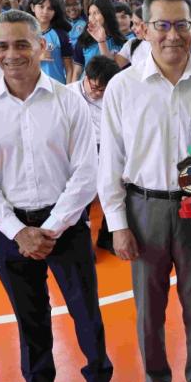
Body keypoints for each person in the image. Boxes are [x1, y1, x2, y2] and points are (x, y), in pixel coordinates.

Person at [0, 9, 114, 382]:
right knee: (28, 313)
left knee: (85, 310)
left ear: (42, 46)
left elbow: (87, 173)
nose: (12, 54)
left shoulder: (70, 101)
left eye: (21, 44)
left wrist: (48, 230)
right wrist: (17, 231)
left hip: (62, 225)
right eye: (2, 46)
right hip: (10, 228)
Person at [98, 0, 191, 382]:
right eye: (162, 25)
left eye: (181, 25)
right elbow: (109, 161)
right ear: (144, 29)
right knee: (148, 309)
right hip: (144, 208)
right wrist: (117, 224)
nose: (173, 35)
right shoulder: (123, 87)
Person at [68, 55, 121, 252]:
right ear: (86, 77)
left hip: (106, 147)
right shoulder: (67, 94)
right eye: (95, 87)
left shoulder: (114, 95)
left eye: (103, 90)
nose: (98, 93)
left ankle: (108, 236)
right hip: (77, 150)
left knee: (120, 183)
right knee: (81, 186)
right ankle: (80, 241)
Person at [27, 0, 74, 84]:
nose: (45, 11)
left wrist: (68, 89)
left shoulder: (61, 35)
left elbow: (69, 69)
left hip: (57, 87)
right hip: (30, 88)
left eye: (50, 8)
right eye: (41, 6)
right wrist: (37, 58)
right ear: (32, 7)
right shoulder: (23, 33)